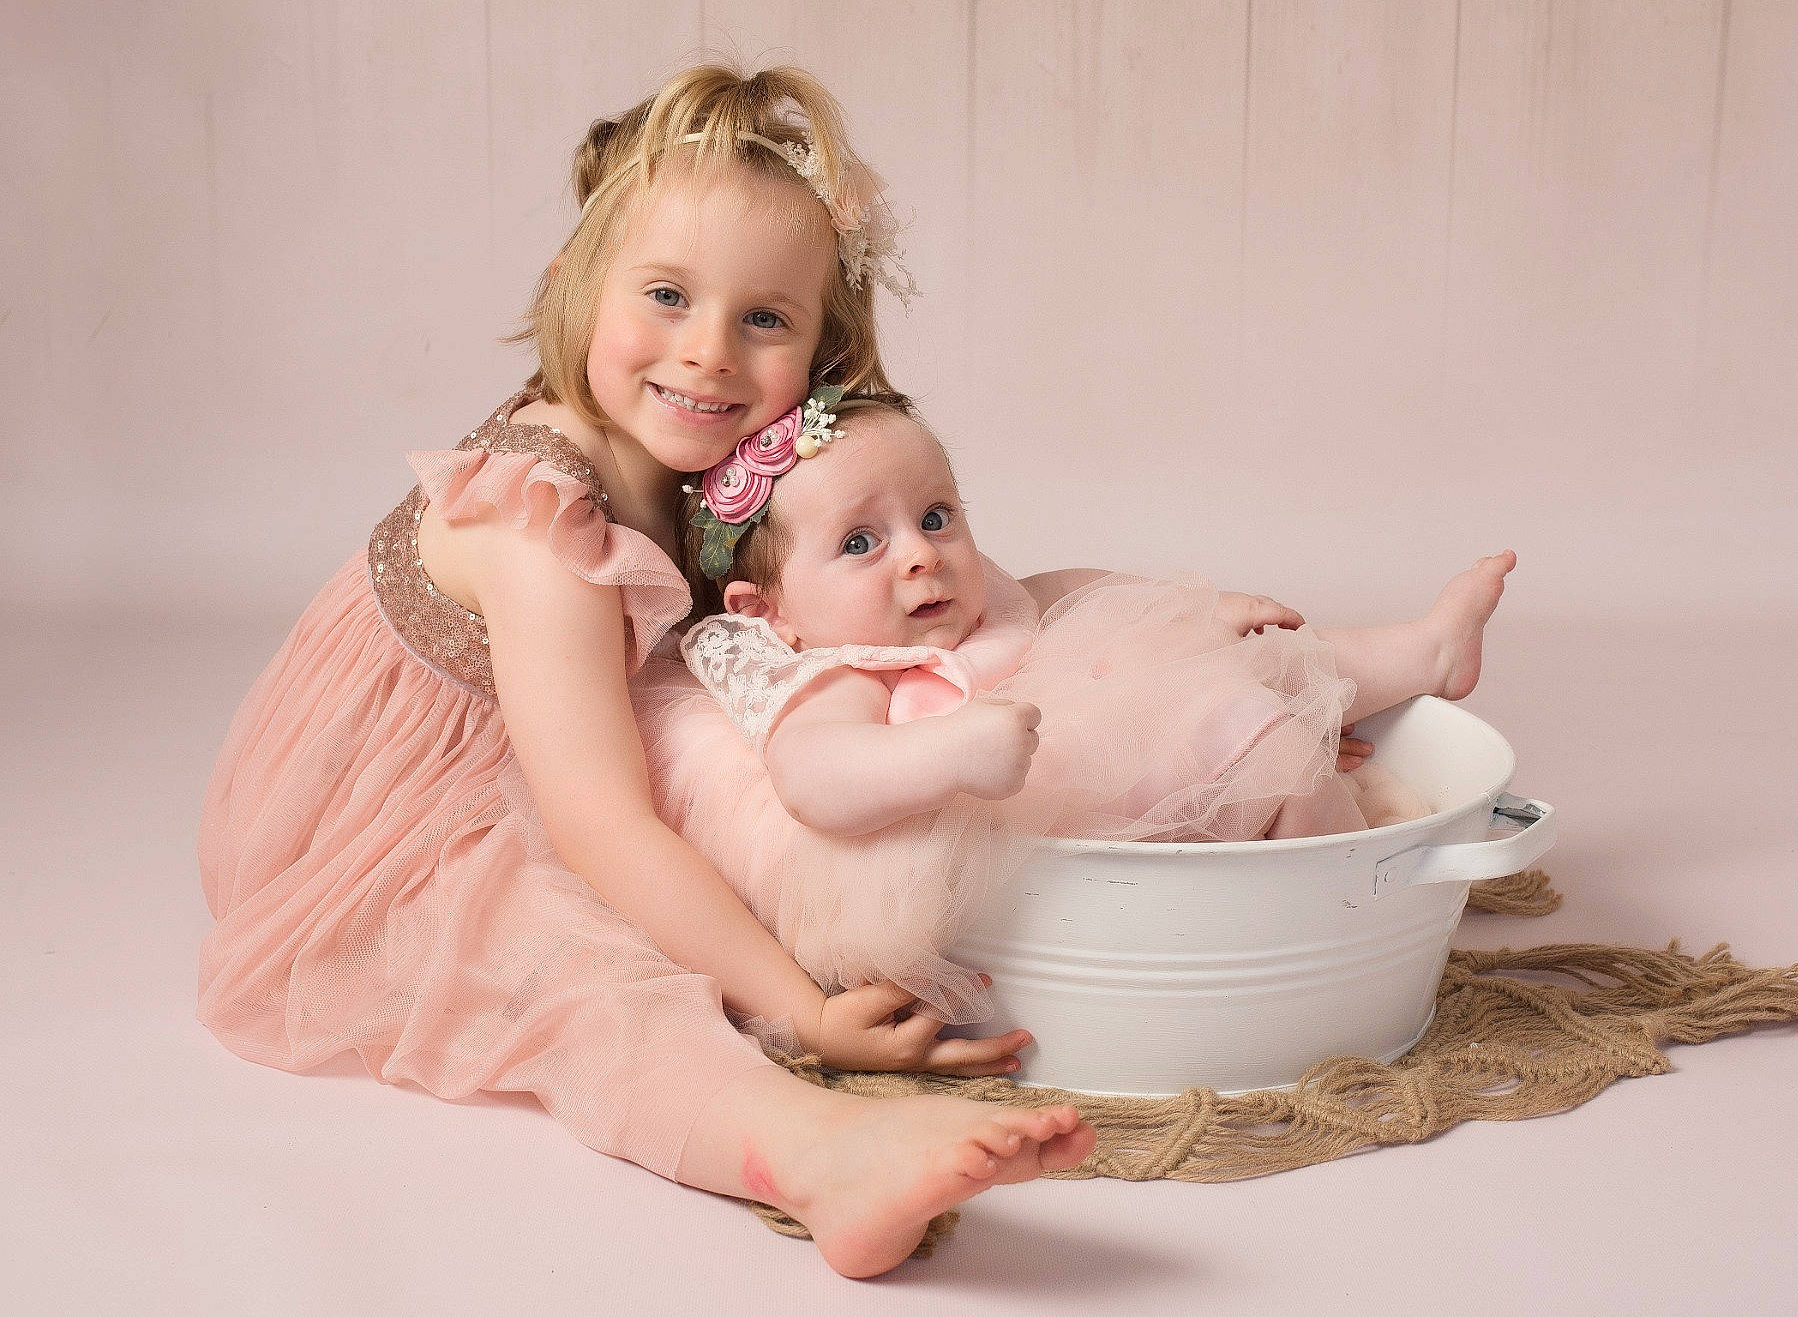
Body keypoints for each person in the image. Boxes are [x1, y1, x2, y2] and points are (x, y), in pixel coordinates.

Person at [196, 63, 1094, 1280]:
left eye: (763, 319)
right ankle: (815, 1152)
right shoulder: (542, 519)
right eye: (667, 295)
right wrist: (799, 1006)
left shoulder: (701, 460)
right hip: (379, 814)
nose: (708, 354)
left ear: (823, 350)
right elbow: (604, 823)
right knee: (581, 972)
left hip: (559, 748)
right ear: (572, 289)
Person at [629, 396, 1512, 1021]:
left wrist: (1196, 609)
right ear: (768, 611)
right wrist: (946, 755)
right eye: (861, 543)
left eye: (937, 517)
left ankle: (1424, 654)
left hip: (1123, 731)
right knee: (1264, 744)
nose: (919, 557)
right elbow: (815, 781)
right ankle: (1336, 923)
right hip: (1053, 799)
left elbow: (1071, 592)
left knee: (1281, 661)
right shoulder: (846, 674)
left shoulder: (982, 598)